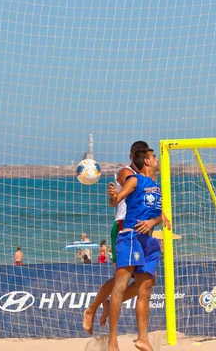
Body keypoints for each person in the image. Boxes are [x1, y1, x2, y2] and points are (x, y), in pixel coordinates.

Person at [82, 141, 152, 335]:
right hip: (124, 226)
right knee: (121, 279)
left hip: (143, 229)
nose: (140, 157)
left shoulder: (148, 176)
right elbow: (122, 195)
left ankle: (107, 303)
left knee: (145, 282)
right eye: (137, 154)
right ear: (131, 156)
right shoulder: (125, 172)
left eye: (143, 154)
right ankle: (92, 308)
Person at [106, 147, 171, 351]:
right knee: (121, 285)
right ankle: (112, 339)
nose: (157, 159)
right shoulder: (134, 180)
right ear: (147, 162)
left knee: (146, 289)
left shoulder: (156, 186)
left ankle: (143, 339)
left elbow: (160, 216)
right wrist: (112, 195)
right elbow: (115, 202)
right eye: (154, 157)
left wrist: (154, 221)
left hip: (149, 242)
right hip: (130, 237)